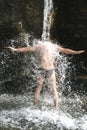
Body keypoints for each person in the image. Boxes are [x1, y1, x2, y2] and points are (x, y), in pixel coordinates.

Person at [5, 41, 85, 108]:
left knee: (38, 90)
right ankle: (56, 108)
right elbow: (65, 50)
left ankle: (35, 106)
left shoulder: (39, 46)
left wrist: (15, 49)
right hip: (51, 70)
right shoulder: (54, 46)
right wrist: (76, 52)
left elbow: (27, 49)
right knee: (54, 90)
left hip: (42, 70)